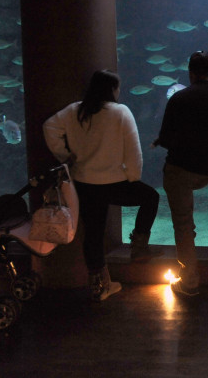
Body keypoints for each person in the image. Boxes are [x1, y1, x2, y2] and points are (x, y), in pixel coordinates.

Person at [43, 69, 160, 302]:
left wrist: (64, 155)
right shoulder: (120, 112)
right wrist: (133, 176)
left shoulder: (75, 110)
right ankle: (139, 246)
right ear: (112, 89)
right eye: (118, 87)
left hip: (85, 183)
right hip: (115, 182)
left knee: (93, 234)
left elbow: (49, 127)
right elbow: (133, 148)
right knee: (151, 197)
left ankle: (100, 286)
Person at [151, 50, 208, 297]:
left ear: (190, 73)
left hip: (180, 170)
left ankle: (189, 282)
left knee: (184, 224)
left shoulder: (179, 99)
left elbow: (167, 138)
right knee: (185, 222)